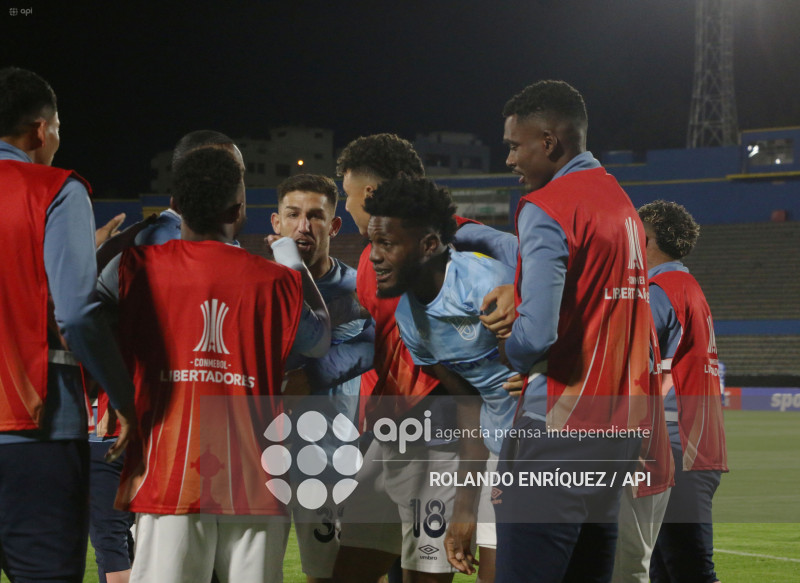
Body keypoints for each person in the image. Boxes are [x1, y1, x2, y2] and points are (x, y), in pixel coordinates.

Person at [97, 146, 331, 583]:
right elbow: (319, 339)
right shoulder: (276, 280)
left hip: (169, 473)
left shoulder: (134, 268)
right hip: (257, 479)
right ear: (238, 209)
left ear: (174, 205)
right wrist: (293, 264)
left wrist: (125, 237)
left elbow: (76, 312)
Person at [478, 80, 661, 583]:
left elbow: (534, 337)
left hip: (558, 427)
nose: (510, 159)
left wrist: (507, 353)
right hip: (617, 428)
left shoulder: (548, 205)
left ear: (549, 142)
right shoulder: (620, 202)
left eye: (515, 146)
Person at [89, 130, 244, 583]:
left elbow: (81, 320)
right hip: (169, 428)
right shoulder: (170, 244)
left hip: (127, 420)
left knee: (122, 553)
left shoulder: (131, 242)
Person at [0, 66, 136, 582]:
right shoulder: (56, 189)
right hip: (35, 435)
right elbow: (76, 312)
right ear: (41, 129)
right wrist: (124, 399)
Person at [364, 176, 518, 583]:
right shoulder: (409, 321)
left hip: (541, 450)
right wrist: (464, 508)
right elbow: (469, 405)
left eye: (388, 244)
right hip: (498, 447)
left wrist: (539, 374)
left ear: (429, 245)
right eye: (372, 242)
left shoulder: (486, 284)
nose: (374, 257)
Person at [332, 133, 464, 583]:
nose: (344, 209)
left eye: (346, 197)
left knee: (424, 566)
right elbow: (379, 341)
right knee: (352, 562)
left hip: (438, 423)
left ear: (368, 195)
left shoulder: (452, 243)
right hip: (392, 427)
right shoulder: (374, 255)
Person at [270, 173, 372, 583]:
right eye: (292, 214)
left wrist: (309, 379)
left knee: (333, 575)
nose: (303, 226)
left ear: (334, 225)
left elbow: (370, 347)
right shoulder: (257, 283)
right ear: (276, 222)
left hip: (331, 461)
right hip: (263, 461)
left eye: (315, 216)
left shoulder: (359, 288)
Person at [638, 200, 728, 583]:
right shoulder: (686, 286)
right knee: (667, 570)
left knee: (688, 571)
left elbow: (624, 350)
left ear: (649, 239)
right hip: (692, 445)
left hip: (676, 449)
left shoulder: (662, 289)